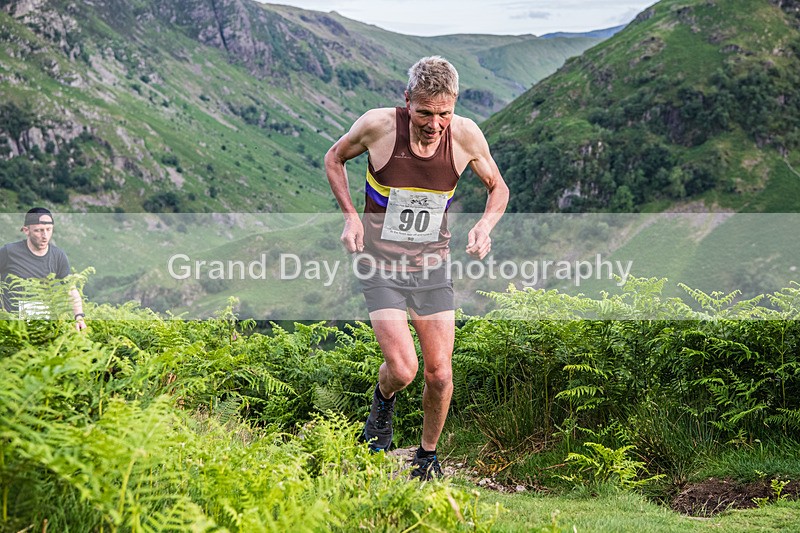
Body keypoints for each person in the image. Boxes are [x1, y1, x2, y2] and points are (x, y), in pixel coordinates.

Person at [324, 56, 509, 480]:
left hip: (431, 266)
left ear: (454, 105)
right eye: (424, 112)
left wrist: (484, 225)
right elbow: (335, 158)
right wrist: (351, 215)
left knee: (440, 373)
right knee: (404, 369)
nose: (434, 123)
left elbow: (498, 187)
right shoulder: (379, 127)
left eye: (444, 113)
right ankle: (382, 404)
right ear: (408, 102)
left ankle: (426, 458)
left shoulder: (464, 136)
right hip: (381, 264)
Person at [0, 207, 87, 331]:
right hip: (9, 327)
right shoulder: (9, 252)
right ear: (26, 230)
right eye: (39, 231)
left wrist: (79, 317)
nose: (45, 236)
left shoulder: (58, 256)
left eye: (48, 230)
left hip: (41, 327)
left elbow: (70, 288)